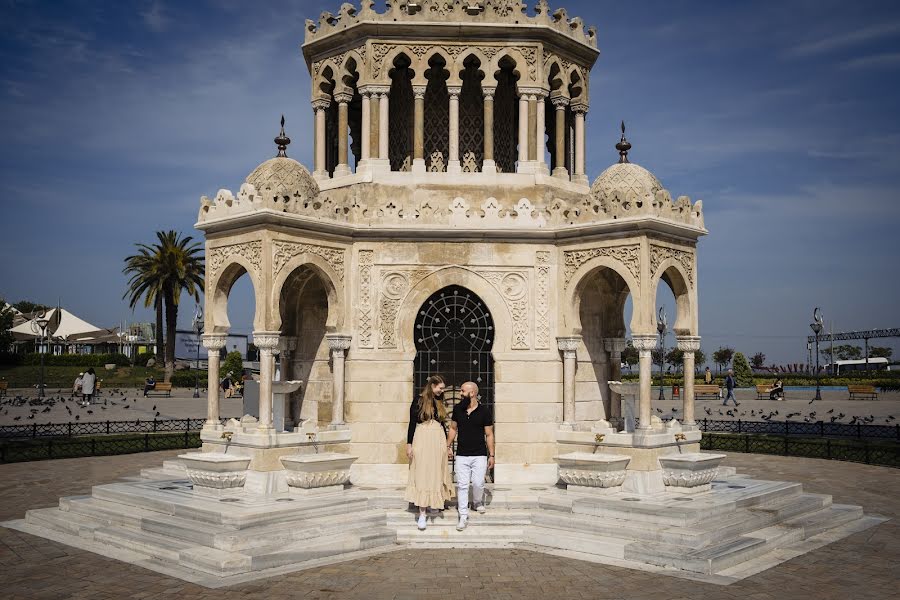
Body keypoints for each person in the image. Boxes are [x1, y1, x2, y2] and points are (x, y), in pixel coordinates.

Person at [404, 375, 454, 531]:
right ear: (432, 385)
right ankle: (422, 513)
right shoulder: (418, 400)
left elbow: (443, 425)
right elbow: (412, 422)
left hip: (437, 438)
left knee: (436, 470)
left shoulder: (439, 401)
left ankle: (435, 502)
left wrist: (447, 445)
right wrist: (409, 444)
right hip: (422, 437)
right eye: (440, 387)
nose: (442, 390)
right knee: (422, 472)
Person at [447, 381, 494, 531]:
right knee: (462, 485)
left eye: (462, 391)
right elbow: (453, 429)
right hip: (461, 454)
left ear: (472, 393)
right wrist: (448, 446)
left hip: (479, 454)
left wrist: (491, 455)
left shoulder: (484, 411)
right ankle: (463, 516)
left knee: (478, 482)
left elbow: (489, 434)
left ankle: (477, 501)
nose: (460, 393)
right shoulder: (457, 409)